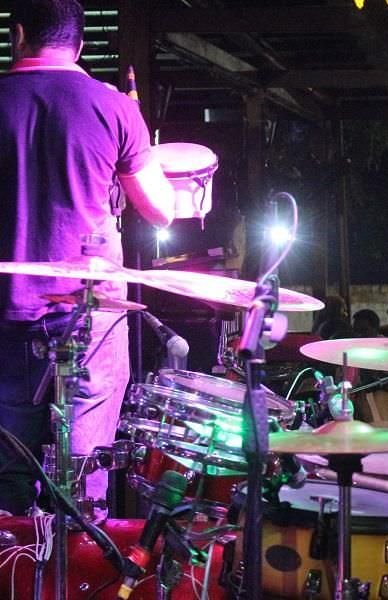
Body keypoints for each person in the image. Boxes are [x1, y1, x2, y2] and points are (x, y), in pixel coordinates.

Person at [0, 0, 175, 515]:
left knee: (6, 476)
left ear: (18, 36)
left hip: (5, 312)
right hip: (89, 315)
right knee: (80, 474)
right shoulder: (114, 107)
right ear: (79, 45)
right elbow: (161, 211)